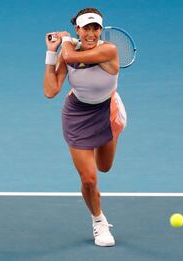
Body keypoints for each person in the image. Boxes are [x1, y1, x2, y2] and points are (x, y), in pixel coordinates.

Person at [43, 8, 127, 247]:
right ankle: (99, 221)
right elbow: (50, 91)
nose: (90, 33)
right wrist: (51, 54)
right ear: (77, 29)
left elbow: (69, 57)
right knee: (89, 179)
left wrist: (66, 42)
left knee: (104, 167)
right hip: (77, 115)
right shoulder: (67, 52)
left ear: (101, 30)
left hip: (106, 111)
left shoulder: (109, 50)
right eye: (85, 28)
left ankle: (117, 114)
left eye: (95, 28)